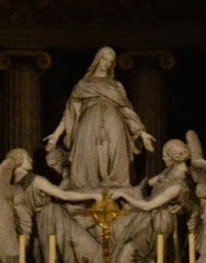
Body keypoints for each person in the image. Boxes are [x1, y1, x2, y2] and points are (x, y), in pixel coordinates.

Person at [44, 46, 154, 191]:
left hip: (114, 123)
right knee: (89, 158)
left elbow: (127, 111)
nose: (106, 64)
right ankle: (88, 195)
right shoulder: (83, 84)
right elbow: (70, 114)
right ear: (97, 59)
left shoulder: (116, 85)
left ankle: (114, 193)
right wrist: (56, 135)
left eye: (110, 61)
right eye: (104, 59)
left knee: (113, 155)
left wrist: (141, 132)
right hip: (89, 124)